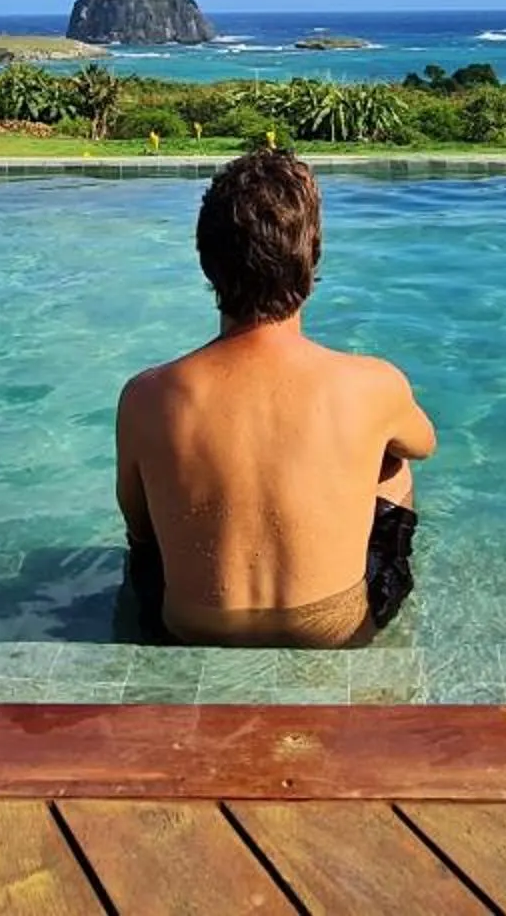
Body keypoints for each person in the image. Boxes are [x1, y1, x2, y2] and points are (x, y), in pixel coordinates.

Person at [115, 146, 435, 648]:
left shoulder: (145, 395)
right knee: (393, 463)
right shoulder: (372, 383)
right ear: (312, 258)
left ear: (206, 261)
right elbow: (424, 444)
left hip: (188, 623)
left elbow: (140, 530)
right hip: (333, 625)